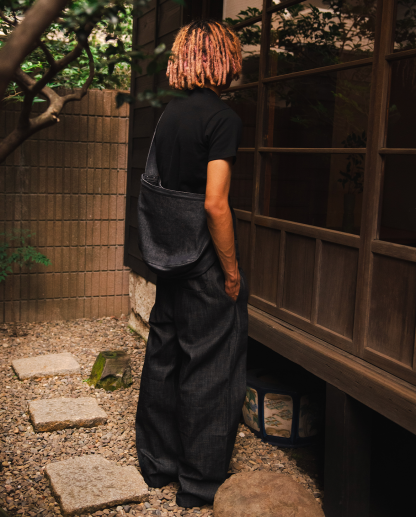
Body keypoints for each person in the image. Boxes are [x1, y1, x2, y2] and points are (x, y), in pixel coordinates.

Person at [135, 19, 248, 509]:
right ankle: (199, 484)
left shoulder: (169, 116)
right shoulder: (223, 119)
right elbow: (215, 204)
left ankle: (157, 465)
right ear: (222, 59)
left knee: (164, 356)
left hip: (168, 253)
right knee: (211, 366)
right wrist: (231, 271)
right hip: (202, 260)